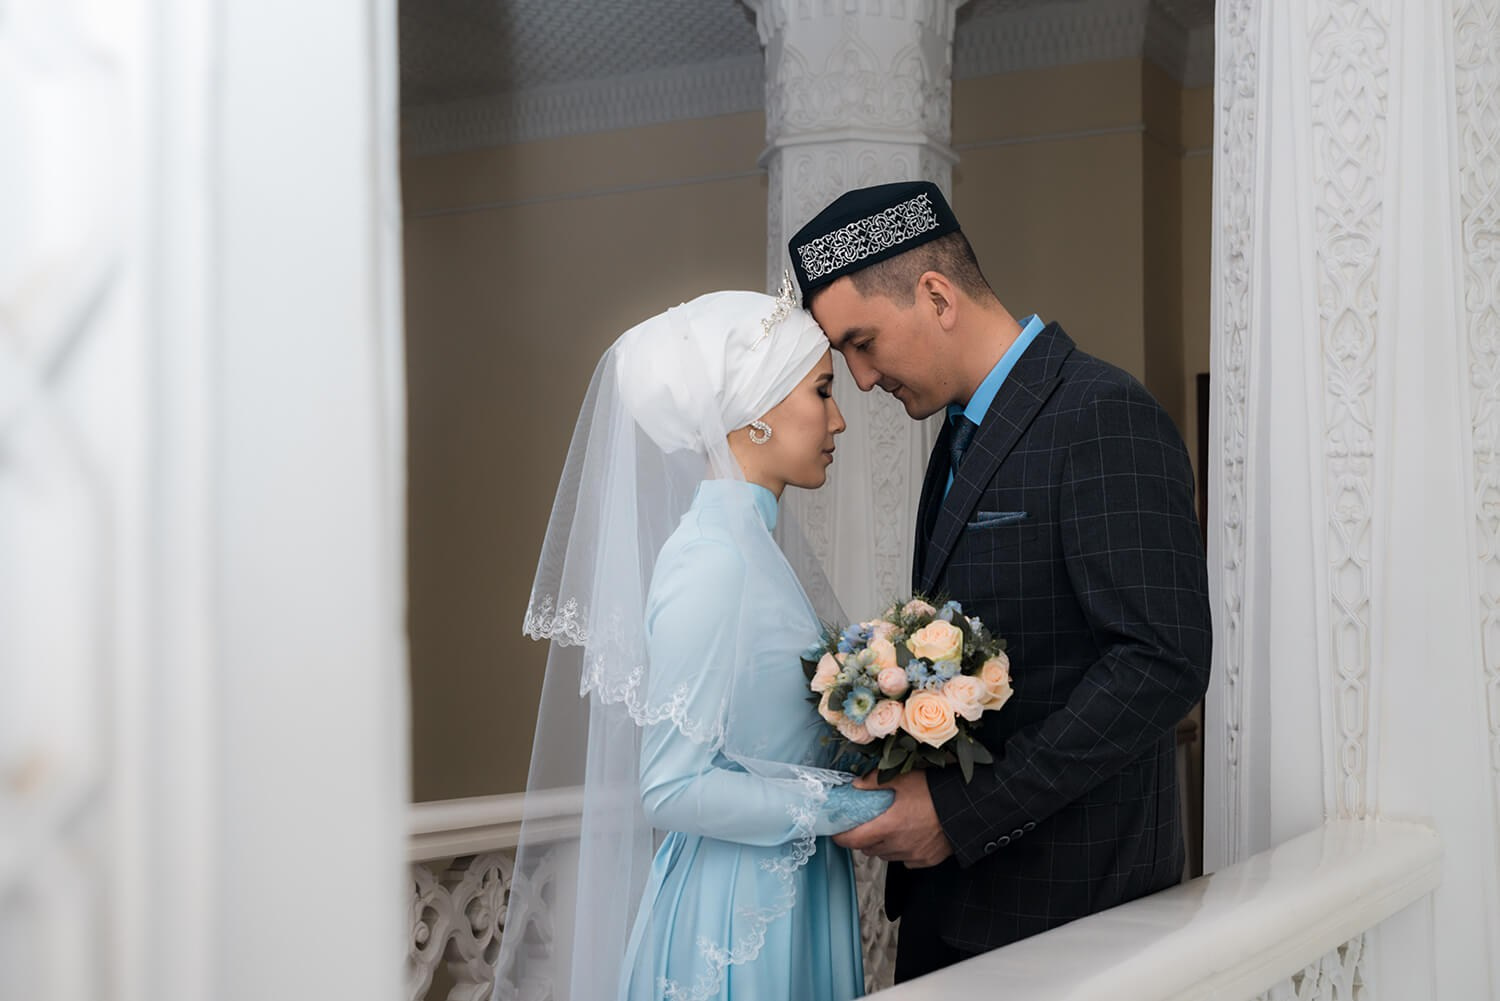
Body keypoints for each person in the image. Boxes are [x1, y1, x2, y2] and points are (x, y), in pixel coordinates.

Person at [787, 181, 1212, 981]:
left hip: (1070, 918)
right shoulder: (957, 436)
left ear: (937, 295)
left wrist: (960, 812)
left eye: (862, 342)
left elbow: (1162, 664)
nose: (863, 379)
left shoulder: (1101, 414)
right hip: (953, 913)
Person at [495, 287, 892, 1001]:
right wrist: (852, 808)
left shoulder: (752, 548)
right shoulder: (712, 559)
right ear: (756, 411)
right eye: (822, 391)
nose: (837, 419)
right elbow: (671, 787)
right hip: (737, 914)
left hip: (784, 884)